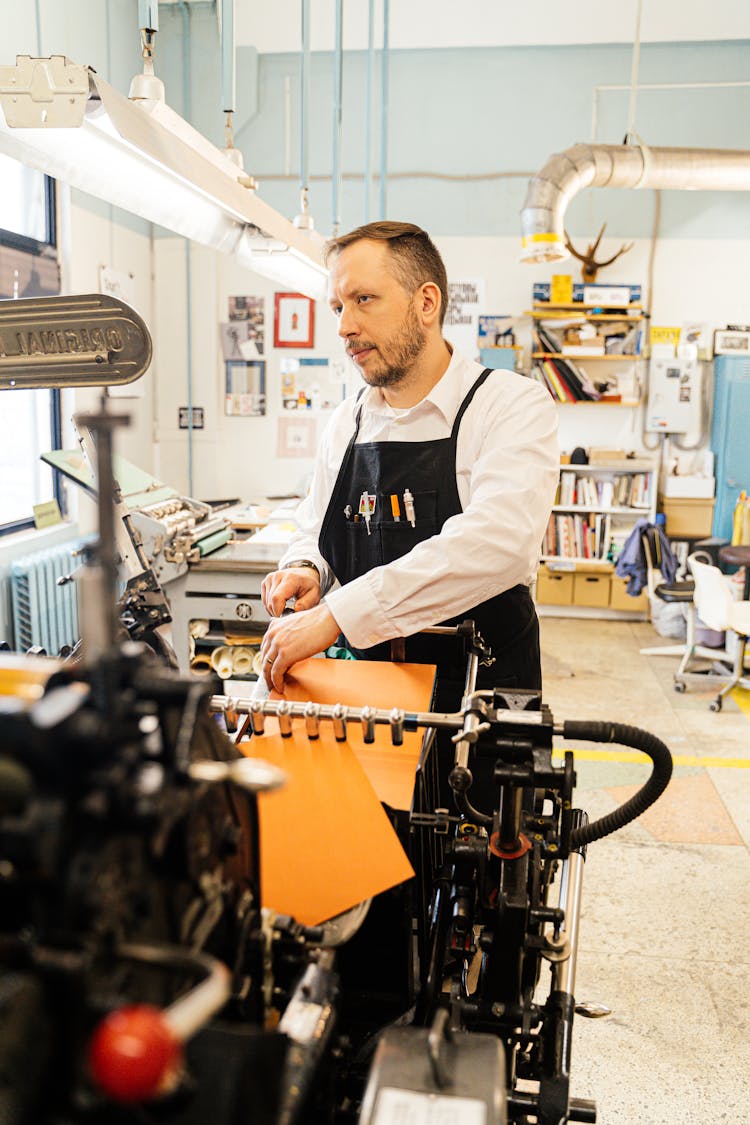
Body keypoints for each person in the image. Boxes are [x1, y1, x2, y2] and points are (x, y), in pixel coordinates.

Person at [259, 221, 559, 698]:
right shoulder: (347, 421)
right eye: (338, 307)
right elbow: (316, 524)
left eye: (363, 299)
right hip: (367, 692)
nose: (343, 327)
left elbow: (498, 544)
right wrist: (307, 567)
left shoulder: (508, 405)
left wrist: (338, 615)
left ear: (426, 302)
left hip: (480, 694)